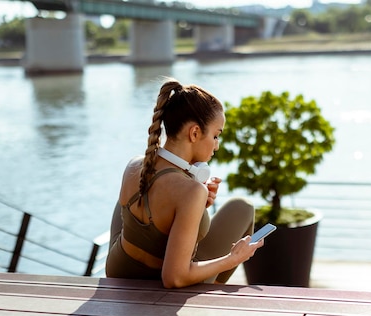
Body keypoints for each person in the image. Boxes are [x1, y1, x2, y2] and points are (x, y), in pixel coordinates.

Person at [105, 78, 262, 288]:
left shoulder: (135, 165)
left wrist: (195, 206)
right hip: (161, 283)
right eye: (216, 136)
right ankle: (205, 293)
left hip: (119, 269)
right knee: (243, 208)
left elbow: (162, 200)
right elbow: (173, 278)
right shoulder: (191, 191)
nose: (216, 146)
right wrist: (233, 258)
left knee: (128, 202)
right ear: (195, 133)